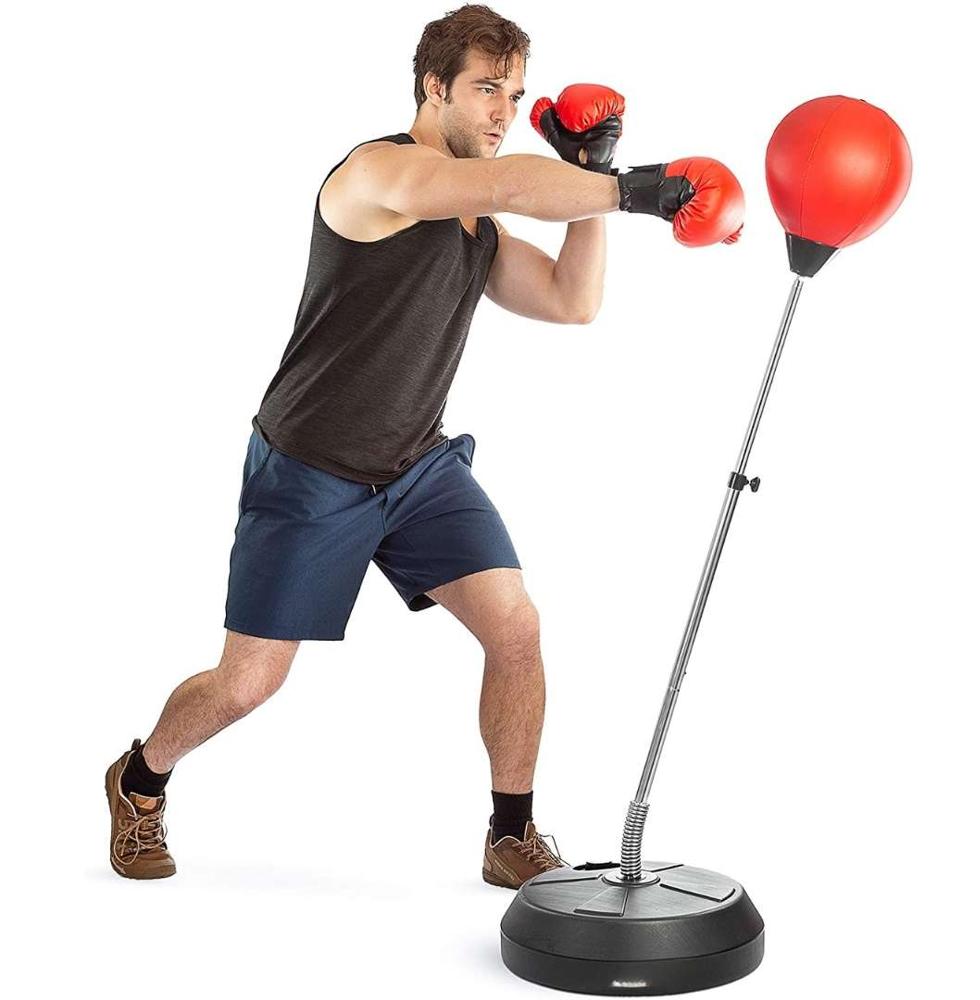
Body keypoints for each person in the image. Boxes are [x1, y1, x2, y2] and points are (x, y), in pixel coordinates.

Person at [105, 3, 743, 887]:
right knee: (248, 683)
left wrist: (591, 180)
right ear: (434, 86)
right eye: (487, 89)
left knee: (516, 627)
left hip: (417, 467)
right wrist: (640, 189)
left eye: (515, 95)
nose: (502, 111)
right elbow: (505, 185)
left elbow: (573, 301)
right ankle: (139, 780)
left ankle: (511, 833)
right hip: (310, 471)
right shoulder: (378, 174)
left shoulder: (478, 226)